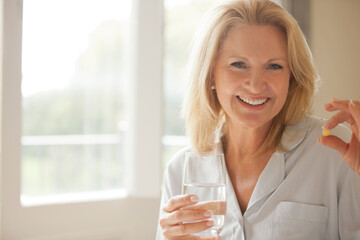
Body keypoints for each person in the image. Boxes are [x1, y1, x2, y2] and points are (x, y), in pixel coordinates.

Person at [156, 0, 360, 239]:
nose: (255, 85)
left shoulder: (338, 151)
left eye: (274, 66)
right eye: (239, 65)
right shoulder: (180, 170)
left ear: (292, 77)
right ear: (211, 74)